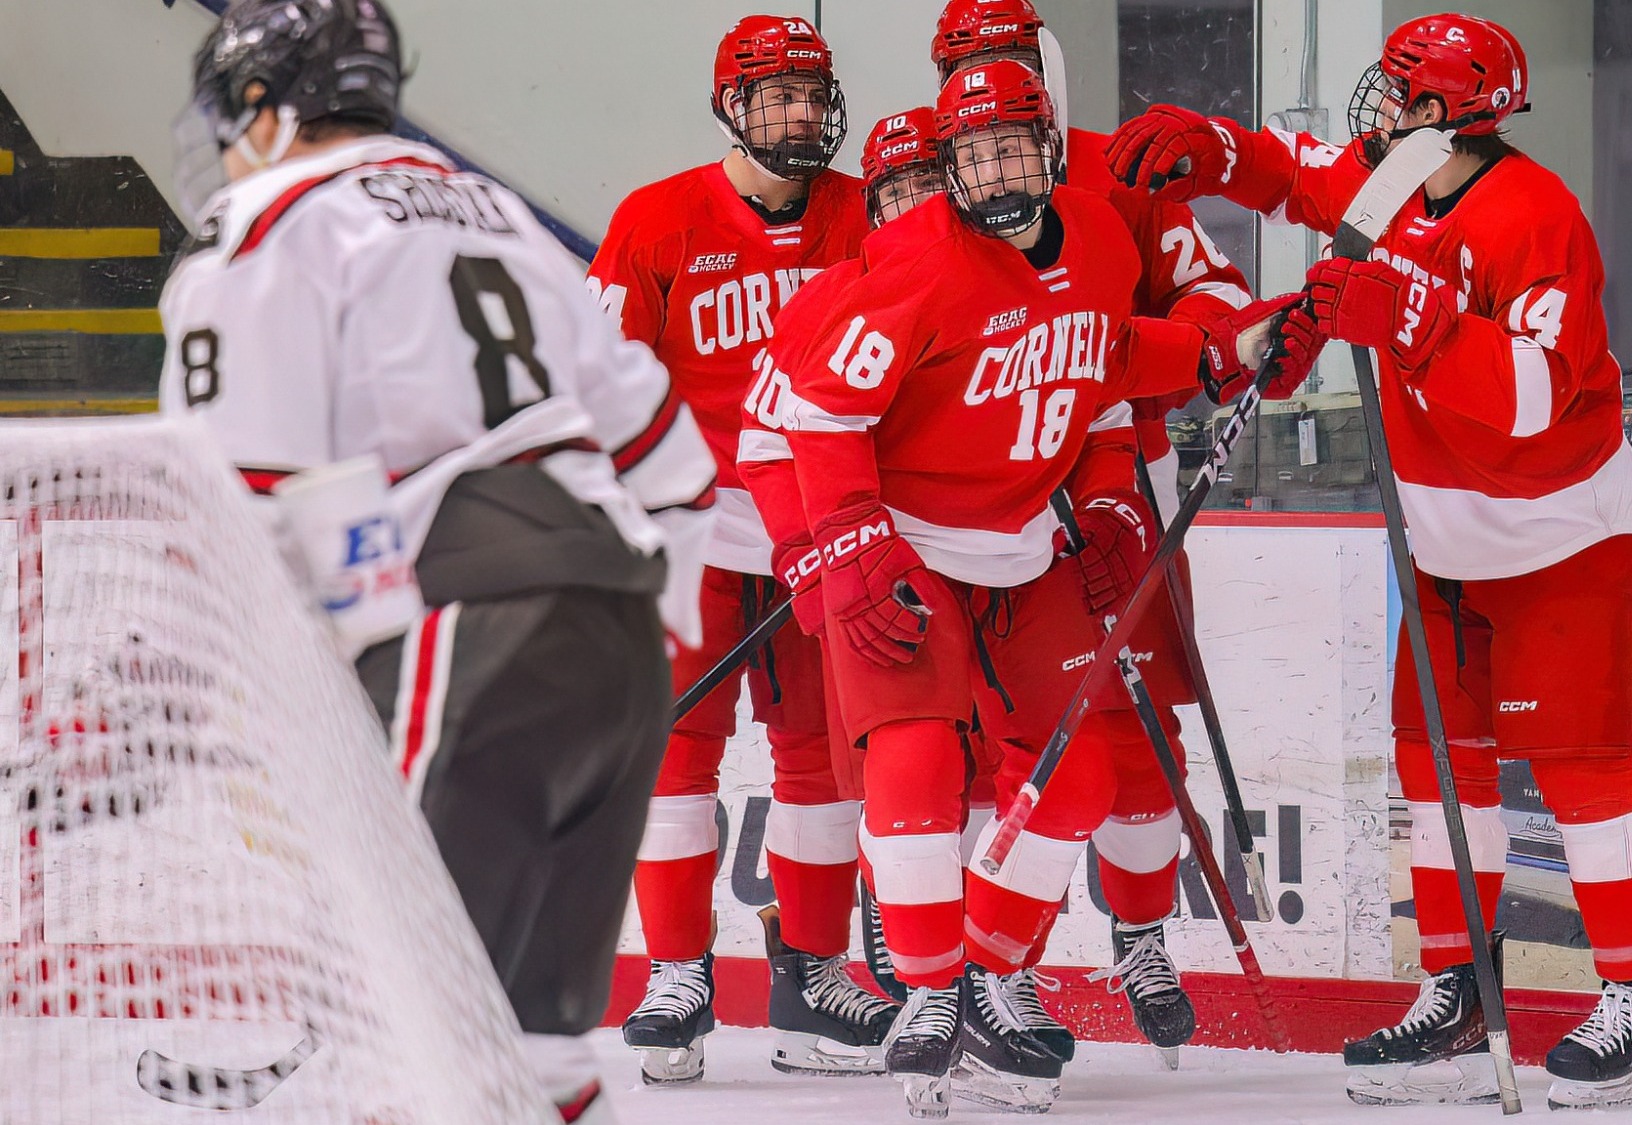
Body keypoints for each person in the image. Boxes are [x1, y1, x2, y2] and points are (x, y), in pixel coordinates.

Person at [1108, 12, 1632, 1110]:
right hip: (1443, 540)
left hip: (1563, 537)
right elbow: (1291, 177)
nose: (1376, 114)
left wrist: (1407, 322)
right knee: (1436, 770)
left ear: (1445, 112)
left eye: (1399, 95)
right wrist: (1211, 149)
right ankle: (1457, 993)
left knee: (1577, 769)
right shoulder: (1390, 187)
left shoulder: (1534, 214)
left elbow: (1529, 394)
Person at [157, 2, 713, 1121]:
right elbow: (675, 464)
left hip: (470, 627)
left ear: (268, 109)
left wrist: (256, 694)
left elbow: (239, 491)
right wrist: (638, 625)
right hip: (616, 649)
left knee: (398, 1037)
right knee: (534, 1053)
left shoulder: (263, 225)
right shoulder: (497, 212)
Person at [761, 61, 1312, 1117]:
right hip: (911, 540)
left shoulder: (1100, 237)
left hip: (1023, 543)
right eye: (971, 156)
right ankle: (928, 994)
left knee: (1076, 781)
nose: (993, 172)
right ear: (949, 169)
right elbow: (818, 417)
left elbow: (1102, 361)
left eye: (1012, 148)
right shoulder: (911, 263)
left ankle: (985, 965)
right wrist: (852, 547)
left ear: (1052, 148)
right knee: (916, 758)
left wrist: (1227, 349)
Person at [927, 0, 1321, 1061]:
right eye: (970, 65)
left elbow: (1216, 299)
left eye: (1010, 61)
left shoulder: (1111, 176)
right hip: (972, 519)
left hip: (1118, 494)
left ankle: (1138, 936)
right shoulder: (926, 186)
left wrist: (1179, 358)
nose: (994, 86)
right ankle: (958, 966)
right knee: (982, 755)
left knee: (1138, 741)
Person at [586, 13, 894, 1085]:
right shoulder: (657, 220)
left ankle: (811, 983)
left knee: (826, 761)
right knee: (675, 756)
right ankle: (678, 973)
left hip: (825, 529)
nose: (800, 114)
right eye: (775, 96)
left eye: (812, 94)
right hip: (693, 536)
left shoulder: (868, 213)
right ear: (731, 104)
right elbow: (597, 383)